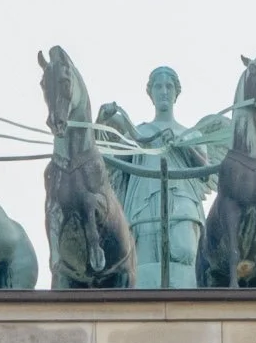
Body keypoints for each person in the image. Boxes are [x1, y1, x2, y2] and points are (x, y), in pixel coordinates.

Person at [97, 67, 230, 288]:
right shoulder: (137, 133)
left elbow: (206, 172)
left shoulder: (192, 135)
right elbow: (109, 162)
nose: (164, 91)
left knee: (186, 254)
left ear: (176, 93)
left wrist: (182, 147)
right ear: (151, 93)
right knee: (144, 262)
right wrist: (100, 123)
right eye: (158, 86)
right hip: (143, 203)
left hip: (183, 203)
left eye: (169, 86)